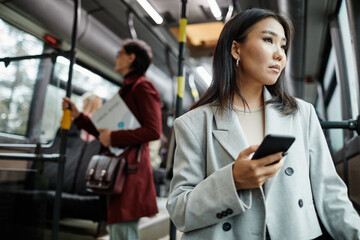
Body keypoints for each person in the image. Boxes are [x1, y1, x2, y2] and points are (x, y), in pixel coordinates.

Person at [166, 8, 360, 240]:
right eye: (268, 40)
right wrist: (233, 180)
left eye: (283, 45)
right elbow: (180, 212)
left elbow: (330, 193)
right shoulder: (193, 123)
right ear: (236, 49)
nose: (279, 54)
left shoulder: (301, 114)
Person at [63, 38, 162, 240]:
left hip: (130, 172)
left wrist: (114, 137)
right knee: (118, 230)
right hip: (119, 170)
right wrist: (79, 117)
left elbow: (154, 131)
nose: (116, 58)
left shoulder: (143, 87)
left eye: (120, 54)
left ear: (131, 57)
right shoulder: (126, 89)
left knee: (123, 231)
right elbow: (104, 132)